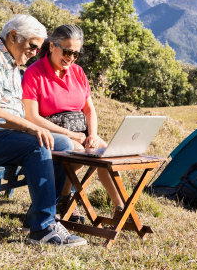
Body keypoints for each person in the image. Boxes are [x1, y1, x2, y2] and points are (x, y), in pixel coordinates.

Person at [0, 14, 86, 247]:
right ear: (13, 36)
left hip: (1, 136)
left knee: (63, 144)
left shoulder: (11, 63)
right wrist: (32, 128)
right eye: (33, 46)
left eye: (39, 47)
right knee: (39, 144)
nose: (36, 52)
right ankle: (42, 229)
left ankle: (44, 215)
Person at [21, 24, 125, 213]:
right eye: (67, 52)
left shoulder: (78, 72)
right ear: (52, 46)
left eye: (76, 54)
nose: (71, 58)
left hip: (81, 133)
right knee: (77, 151)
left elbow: (89, 109)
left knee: (108, 153)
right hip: (51, 134)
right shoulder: (34, 73)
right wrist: (71, 135)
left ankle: (121, 209)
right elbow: (31, 117)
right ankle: (64, 199)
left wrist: (92, 135)